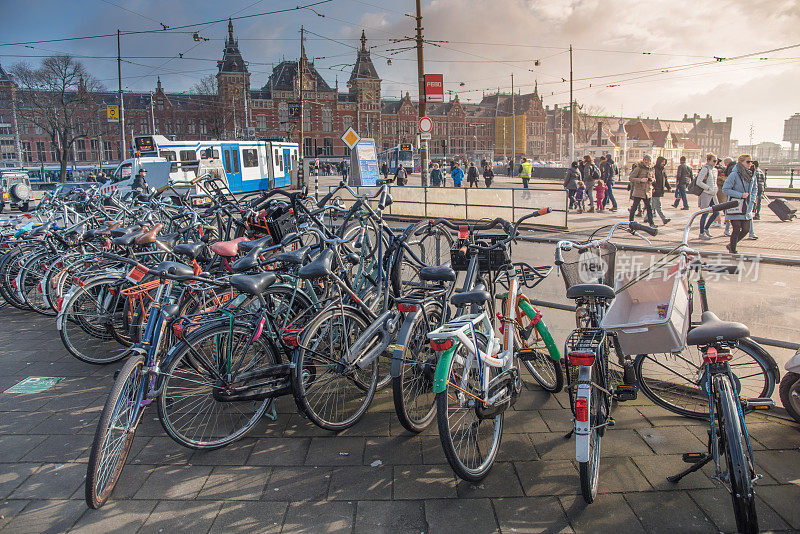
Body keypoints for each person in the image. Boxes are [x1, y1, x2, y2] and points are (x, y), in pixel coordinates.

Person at [722, 154, 757, 254]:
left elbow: (755, 188)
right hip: (736, 205)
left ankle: (730, 245)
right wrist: (740, 195)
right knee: (736, 228)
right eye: (748, 161)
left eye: (751, 161)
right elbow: (725, 189)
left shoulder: (752, 173)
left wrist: (752, 199)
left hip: (747, 205)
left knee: (746, 229)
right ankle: (733, 249)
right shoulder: (734, 174)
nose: (750, 164)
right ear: (741, 162)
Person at [628, 155, 655, 227]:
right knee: (634, 206)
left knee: (649, 208)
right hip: (639, 191)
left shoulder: (651, 169)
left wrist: (651, 180)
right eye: (645, 160)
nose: (646, 161)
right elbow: (631, 178)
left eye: (648, 160)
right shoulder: (638, 168)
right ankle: (631, 221)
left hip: (647, 191)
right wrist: (640, 180)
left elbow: (653, 178)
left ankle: (651, 223)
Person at [696, 153, 719, 239]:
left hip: (713, 194)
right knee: (705, 213)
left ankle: (706, 228)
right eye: (714, 160)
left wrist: (715, 189)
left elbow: (715, 182)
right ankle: (701, 233)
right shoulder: (705, 169)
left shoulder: (715, 170)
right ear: (708, 160)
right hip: (705, 194)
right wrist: (708, 188)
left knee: (716, 212)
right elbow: (699, 182)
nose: (715, 162)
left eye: (716, 161)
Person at [652, 156, 672, 224]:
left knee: (652, 205)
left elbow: (665, 180)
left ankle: (647, 218)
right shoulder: (654, 169)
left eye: (664, 162)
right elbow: (652, 180)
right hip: (655, 190)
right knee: (658, 205)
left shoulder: (663, 170)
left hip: (659, 189)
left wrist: (668, 187)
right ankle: (663, 219)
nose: (663, 163)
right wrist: (653, 187)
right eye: (662, 162)